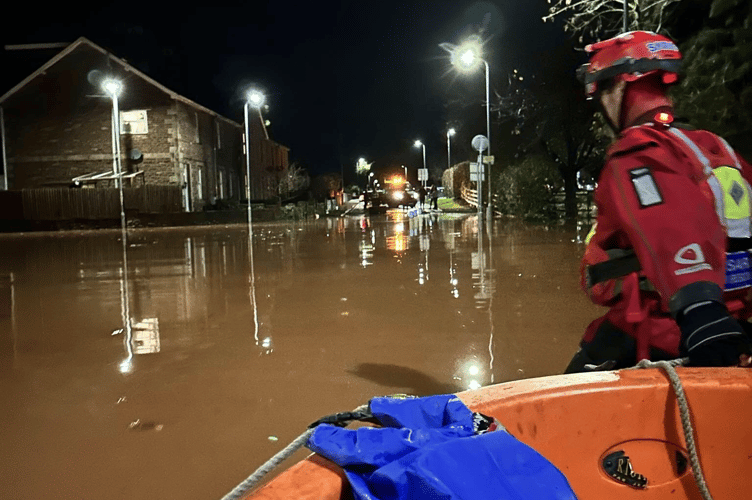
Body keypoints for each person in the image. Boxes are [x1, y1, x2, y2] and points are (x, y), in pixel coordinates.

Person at [565, 30, 752, 373]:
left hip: (659, 332)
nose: (603, 103)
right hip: (737, 326)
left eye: (603, 90)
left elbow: (668, 223)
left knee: (555, 415)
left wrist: (701, 311)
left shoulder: (636, 153)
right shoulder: (714, 149)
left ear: (621, 85)